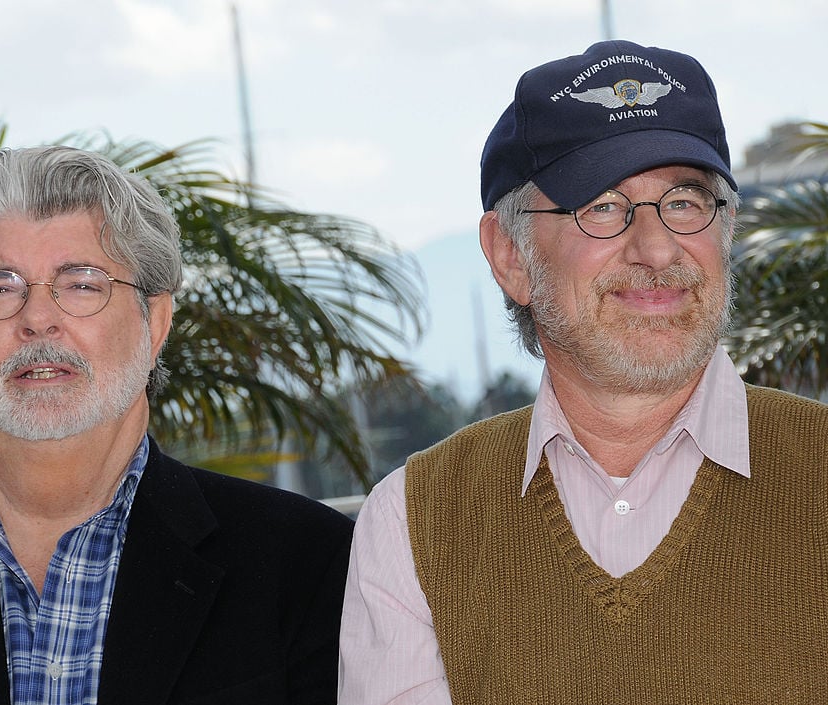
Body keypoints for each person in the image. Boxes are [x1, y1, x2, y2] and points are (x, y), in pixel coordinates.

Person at [338, 39, 828, 704]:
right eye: (602, 206)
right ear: (509, 255)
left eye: (685, 201)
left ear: (727, 227)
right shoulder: (412, 524)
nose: (657, 249)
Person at [0, 145, 353, 705]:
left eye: (82, 284)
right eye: (0, 288)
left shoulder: (308, 564)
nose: (39, 319)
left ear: (155, 321)